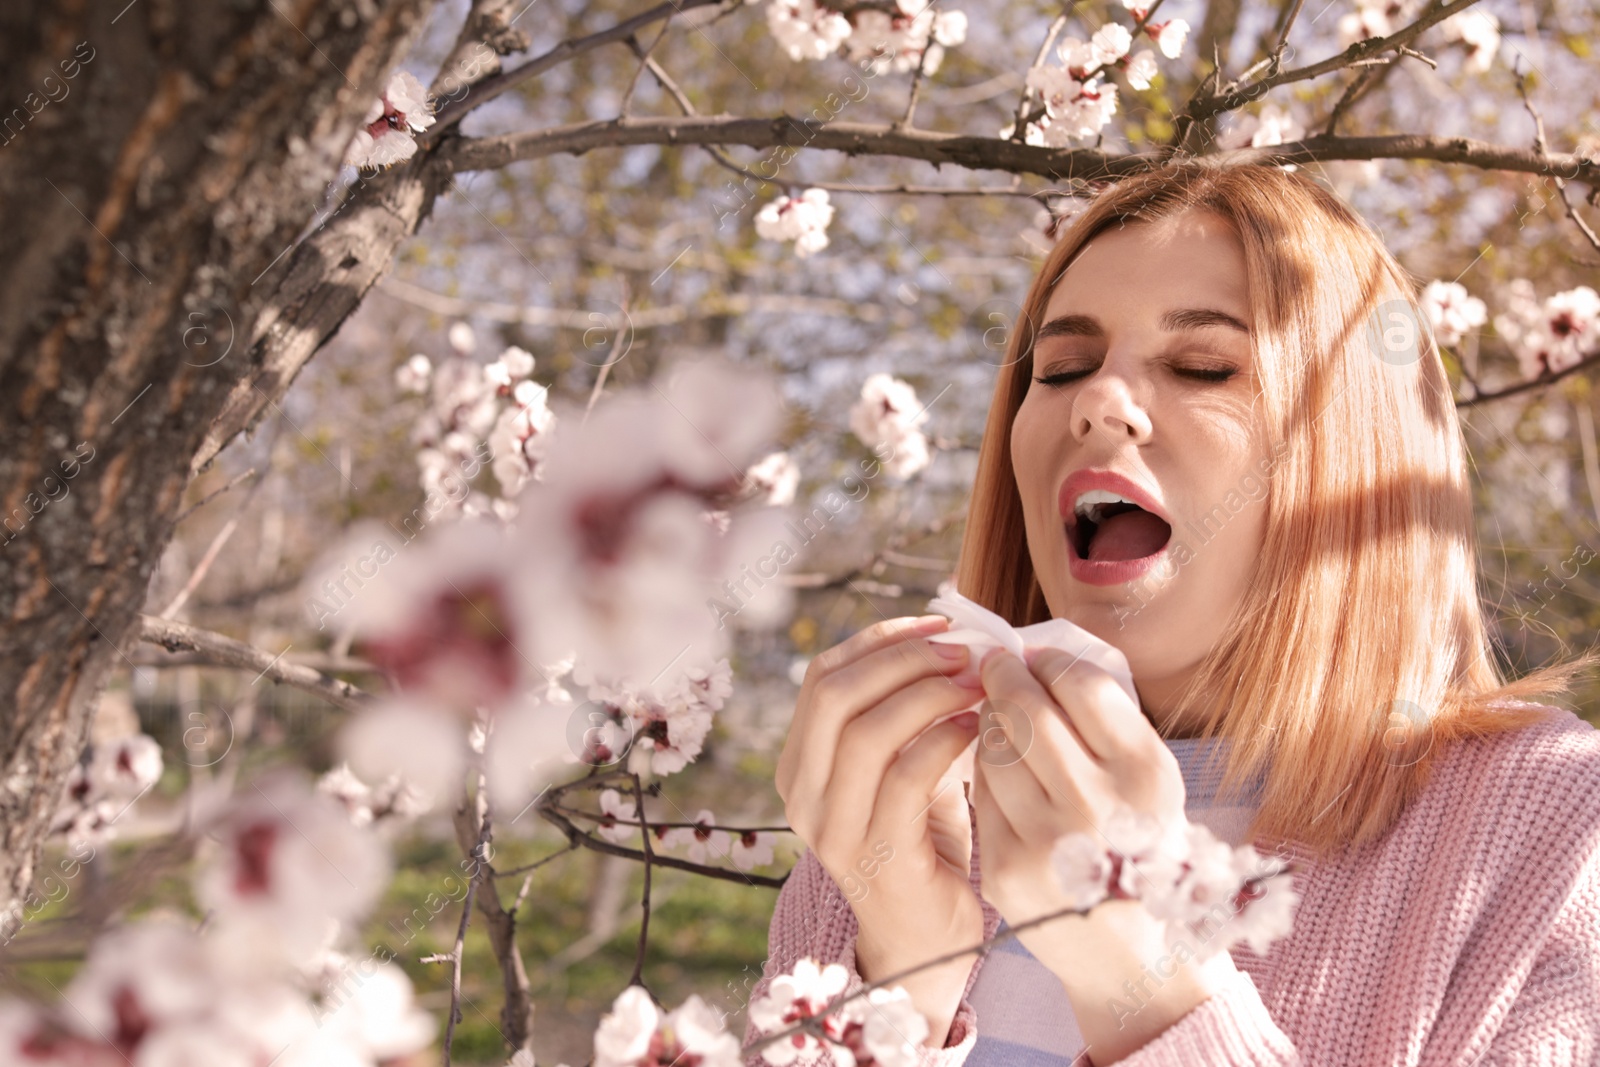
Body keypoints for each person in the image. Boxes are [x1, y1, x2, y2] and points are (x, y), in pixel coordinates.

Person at [743, 160, 1600, 1066]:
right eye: (1064, 365)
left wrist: (1140, 976)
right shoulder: (910, 810)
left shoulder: (1548, 830)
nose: (1099, 401)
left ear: (1356, 456)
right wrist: (900, 979)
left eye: (1202, 365)